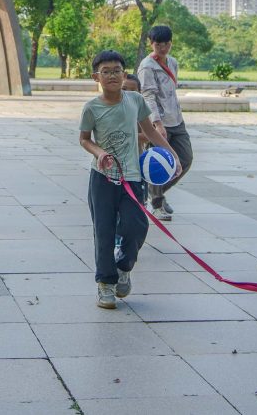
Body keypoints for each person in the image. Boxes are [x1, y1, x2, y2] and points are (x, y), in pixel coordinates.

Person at [79, 50, 181, 310]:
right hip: (102, 179)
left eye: (116, 71)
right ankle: (105, 285)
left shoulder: (135, 100)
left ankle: (123, 266)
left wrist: (173, 156)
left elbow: (149, 131)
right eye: (106, 71)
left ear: (124, 75)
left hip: (132, 178)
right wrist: (100, 152)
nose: (112, 75)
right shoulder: (91, 107)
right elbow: (84, 139)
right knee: (103, 232)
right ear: (96, 77)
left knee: (137, 226)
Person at [137, 24, 193, 222]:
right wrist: (157, 124)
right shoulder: (147, 66)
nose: (162, 48)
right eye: (158, 44)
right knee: (158, 162)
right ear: (151, 44)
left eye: (166, 44)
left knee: (185, 159)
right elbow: (148, 96)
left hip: (176, 119)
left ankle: (154, 192)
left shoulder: (173, 62)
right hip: (158, 123)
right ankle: (157, 204)